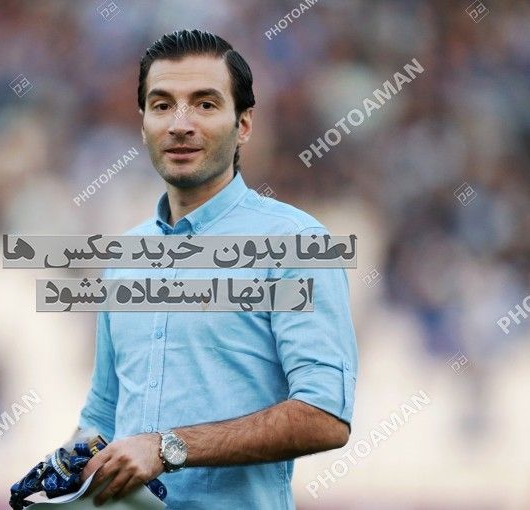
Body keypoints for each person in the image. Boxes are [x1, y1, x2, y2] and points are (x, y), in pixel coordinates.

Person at [76, 29, 358, 509]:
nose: (179, 125)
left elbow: (325, 415)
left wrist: (167, 448)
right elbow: (103, 417)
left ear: (243, 124)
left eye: (205, 104)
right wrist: (66, 468)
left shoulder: (297, 243)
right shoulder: (124, 257)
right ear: (143, 123)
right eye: (162, 105)